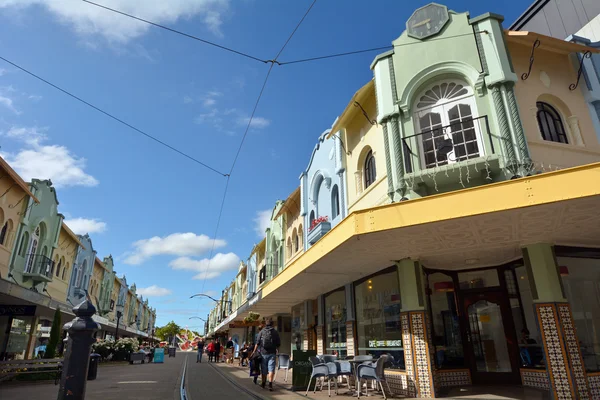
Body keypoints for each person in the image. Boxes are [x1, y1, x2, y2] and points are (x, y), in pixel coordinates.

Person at [251, 317, 281, 391]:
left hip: (263, 353)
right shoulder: (275, 332)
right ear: (272, 324)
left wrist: (254, 352)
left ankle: (263, 383)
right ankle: (270, 384)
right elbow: (278, 343)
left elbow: (257, 343)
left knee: (264, 369)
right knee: (271, 369)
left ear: (266, 324)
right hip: (272, 353)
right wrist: (276, 349)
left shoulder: (262, 331)